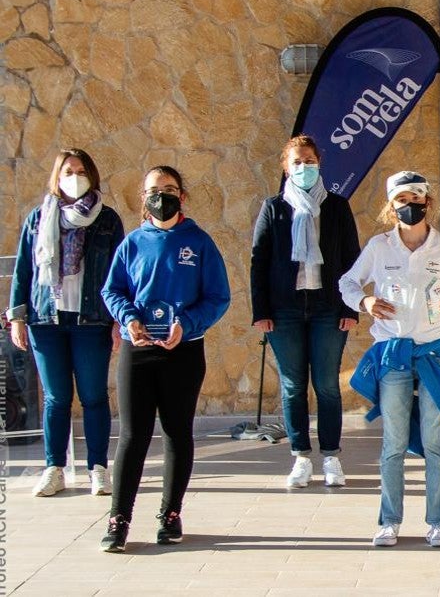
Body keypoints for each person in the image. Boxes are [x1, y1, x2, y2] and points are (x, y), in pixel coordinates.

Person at [340, 171, 440, 548]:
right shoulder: (379, 246)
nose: (410, 206)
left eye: (416, 199)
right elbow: (348, 283)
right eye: (402, 200)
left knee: (436, 441)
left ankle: (438, 521)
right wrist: (365, 301)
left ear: (428, 203)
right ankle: (389, 521)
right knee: (394, 442)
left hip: (435, 353)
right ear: (392, 206)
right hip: (393, 355)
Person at [98, 166, 231, 552]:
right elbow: (113, 290)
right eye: (154, 191)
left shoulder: (200, 243)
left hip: (183, 350)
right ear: (143, 198)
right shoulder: (132, 243)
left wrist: (185, 324)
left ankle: (170, 515)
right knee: (132, 436)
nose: (162, 197)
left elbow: (218, 297)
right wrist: (130, 318)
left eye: (169, 190)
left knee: (177, 433)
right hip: (137, 350)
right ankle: (118, 520)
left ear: (182, 196)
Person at [7, 149, 124, 498]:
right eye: (68, 171)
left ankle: (98, 468)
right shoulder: (38, 218)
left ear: (92, 174)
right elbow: (23, 270)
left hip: (92, 321)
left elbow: (120, 274)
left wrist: (119, 320)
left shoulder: (108, 219)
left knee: (93, 396)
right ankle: (54, 468)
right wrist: (17, 317)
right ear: (57, 177)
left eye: (81, 170)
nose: (75, 176)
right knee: (56, 399)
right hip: (46, 320)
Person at [250, 135, 361, 489]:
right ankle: (300, 457)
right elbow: (259, 261)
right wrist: (261, 310)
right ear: (286, 167)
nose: (303, 168)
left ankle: (331, 456)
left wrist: (350, 307)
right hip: (284, 311)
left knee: (327, 384)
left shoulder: (337, 207)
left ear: (319, 164)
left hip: (329, 309)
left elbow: (351, 260)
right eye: (296, 162)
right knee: (293, 385)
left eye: (309, 161)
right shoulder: (274, 208)